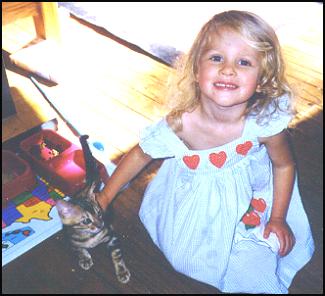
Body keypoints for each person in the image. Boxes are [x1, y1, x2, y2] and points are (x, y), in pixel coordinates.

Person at [96, 10, 314, 294]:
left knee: (256, 261)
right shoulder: (180, 124)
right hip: (195, 201)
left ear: (262, 80)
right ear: (196, 70)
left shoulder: (263, 122)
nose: (228, 69)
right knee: (186, 258)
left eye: (244, 62)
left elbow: (284, 166)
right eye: (216, 58)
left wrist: (277, 217)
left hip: (252, 196)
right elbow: (140, 154)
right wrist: (104, 197)